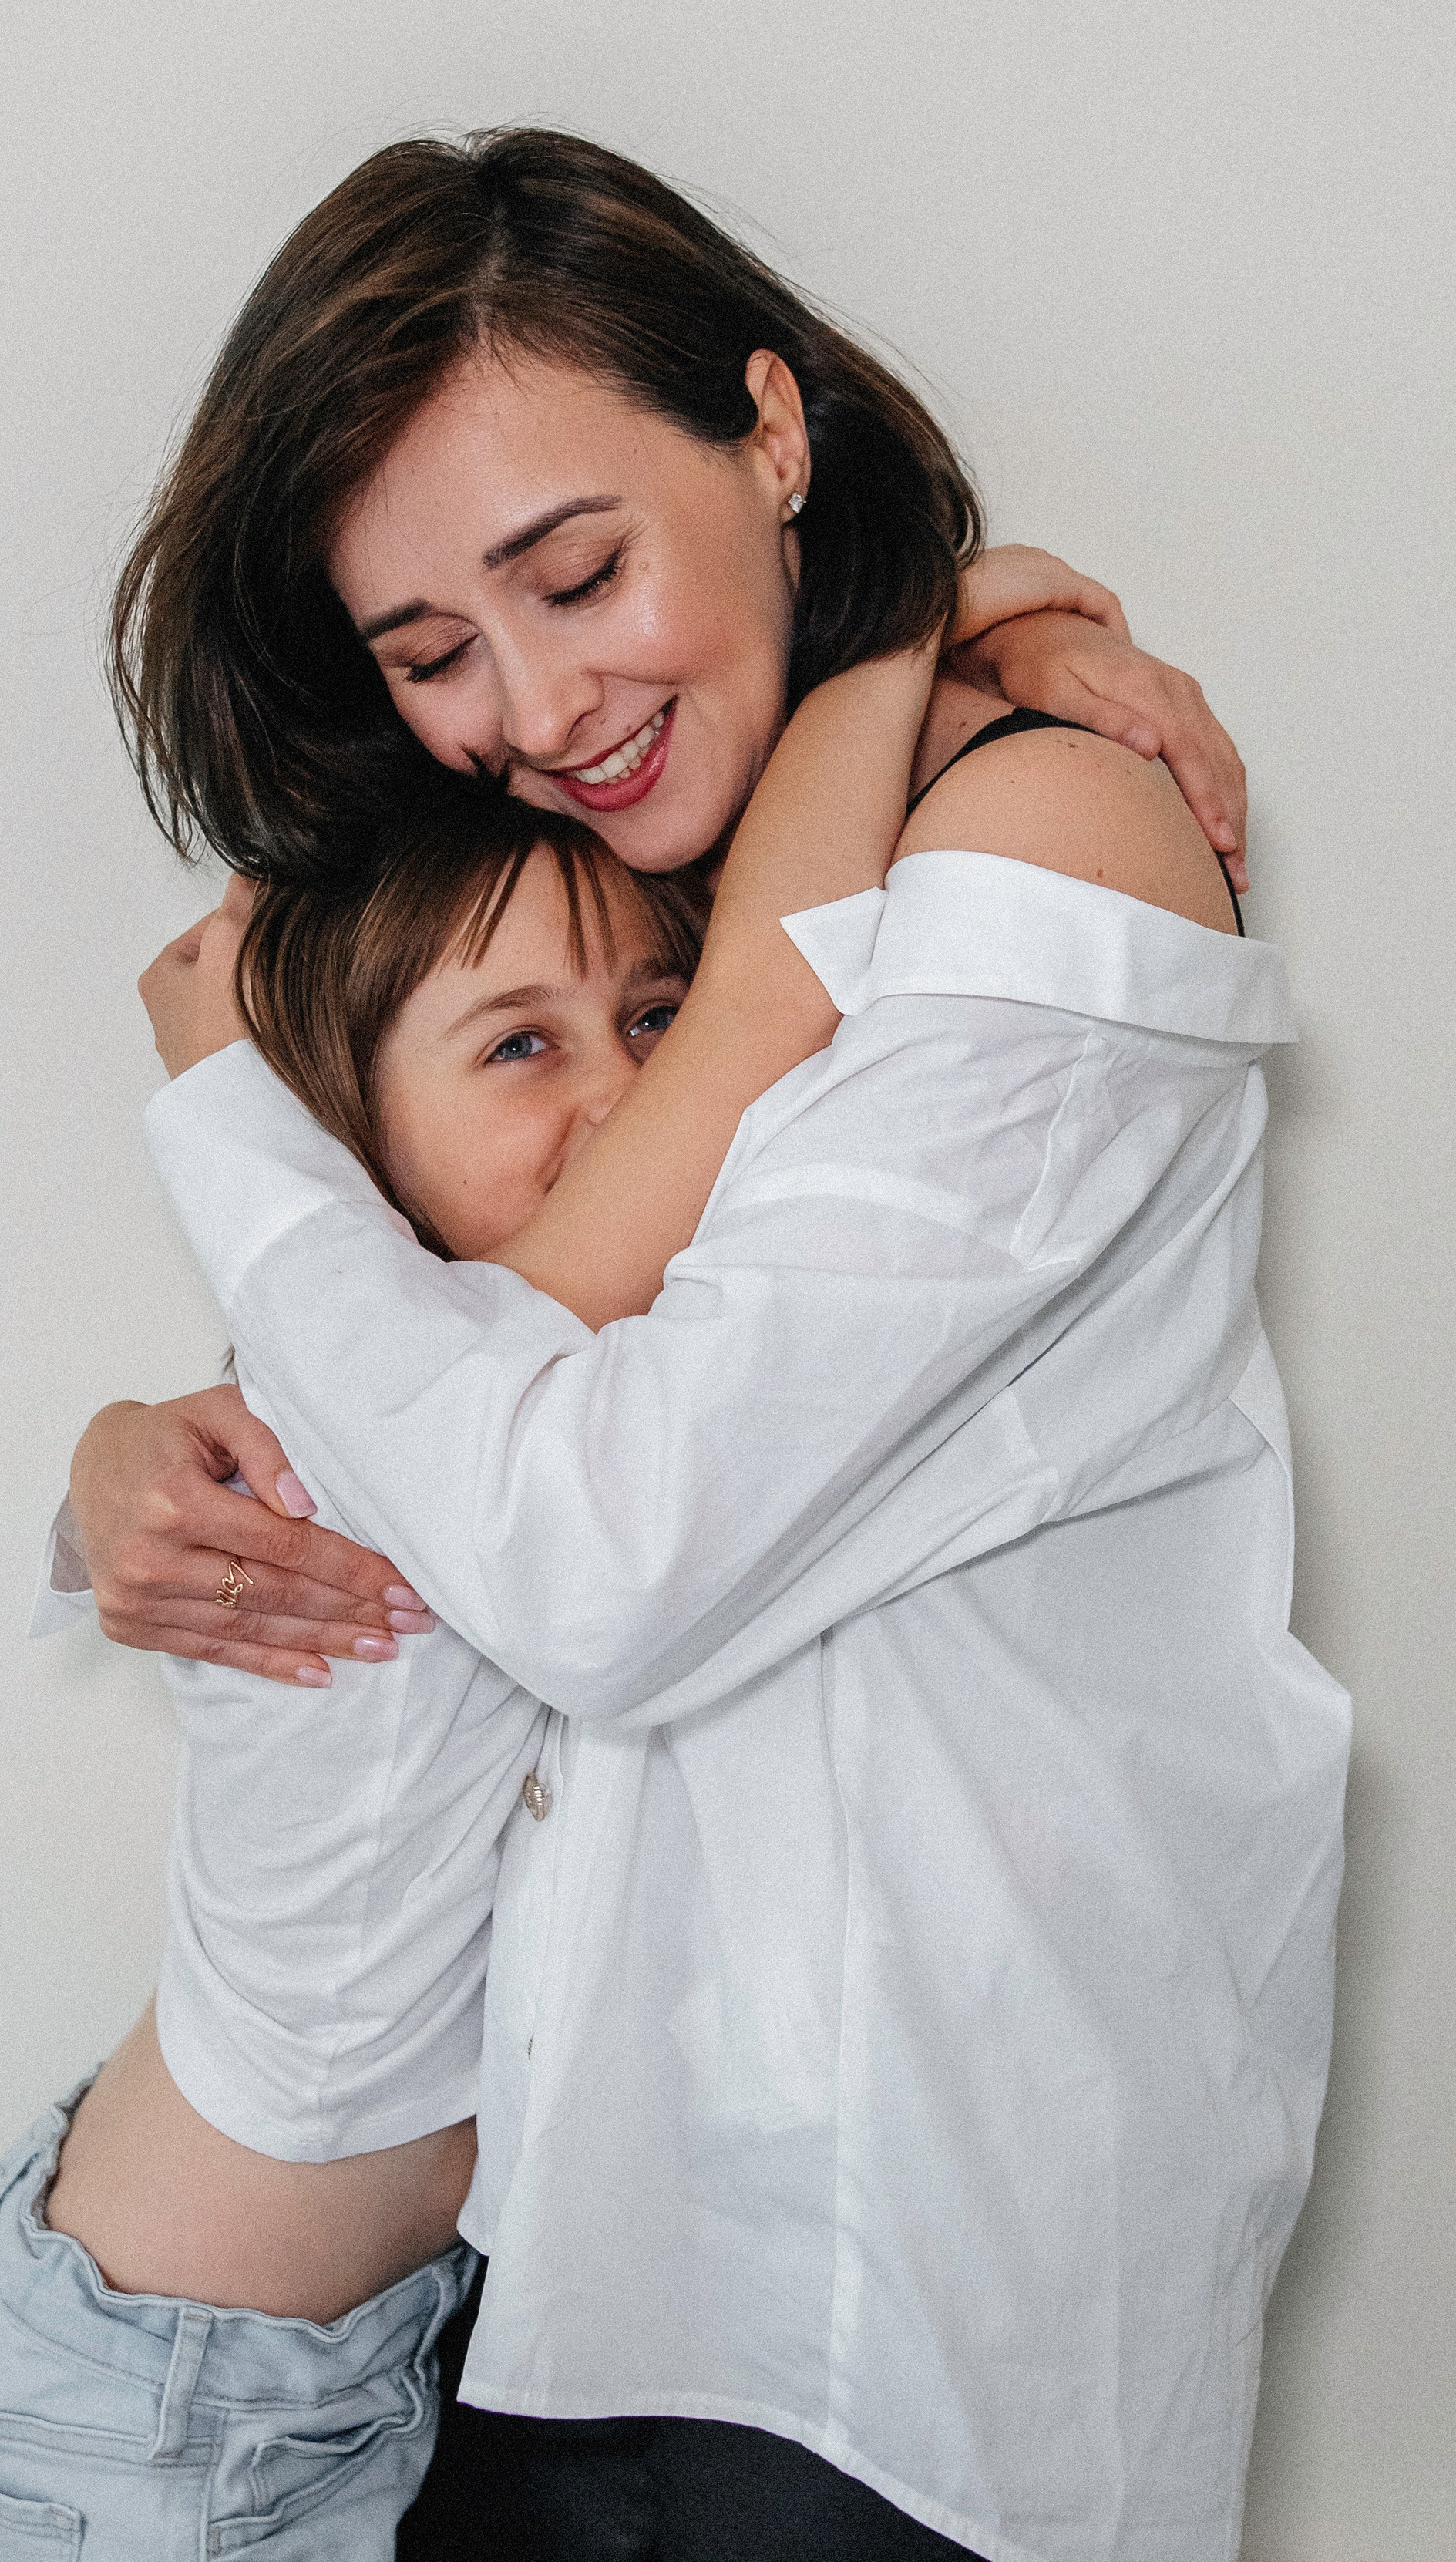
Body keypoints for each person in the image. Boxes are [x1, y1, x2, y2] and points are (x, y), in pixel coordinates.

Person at [53, 126, 1349, 2557]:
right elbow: (437, 1390)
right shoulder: (698, 892)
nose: (538, 706)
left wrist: (227, 1126)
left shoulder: (1044, 842)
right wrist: (130, 1461)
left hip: (888, 2281)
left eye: (580, 571)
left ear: (770, 429)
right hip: (531, 2277)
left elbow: (594, 1550)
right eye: (433, 653)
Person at [8, 643, 936, 2554]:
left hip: (331, 2349)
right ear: (343, 1143)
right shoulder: (426, 1393)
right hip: (177, 2399)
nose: (626, 1092)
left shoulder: (431, 1390)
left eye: (646, 1018)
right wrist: (906, 622)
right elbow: (783, 980)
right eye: (519, 1043)